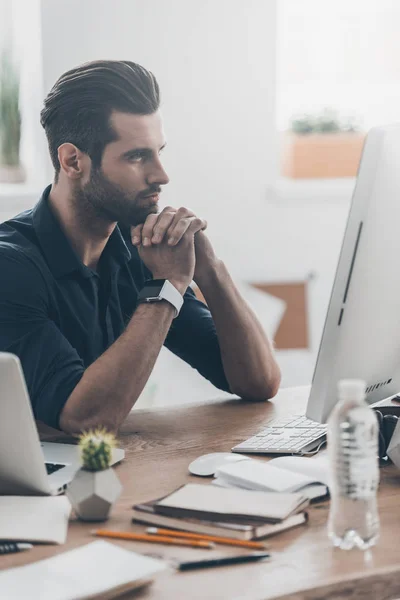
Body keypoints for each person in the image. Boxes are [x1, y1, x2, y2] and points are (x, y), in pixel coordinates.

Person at [0, 60, 280, 434]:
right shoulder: (11, 266)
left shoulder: (139, 253)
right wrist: (166, 286)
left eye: (158, 151)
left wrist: (210, 270)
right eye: (136, 156)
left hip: (98, 478)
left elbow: (257, 383)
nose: (161, 175)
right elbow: (84, 419)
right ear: (72, 161)